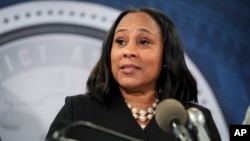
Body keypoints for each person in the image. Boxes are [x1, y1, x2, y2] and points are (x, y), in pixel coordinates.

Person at [45, 7, 221, 141]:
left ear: (166, 55)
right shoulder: (78, 111)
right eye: (120, 41)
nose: (128, 51)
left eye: (144, 42)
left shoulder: (195, 119)